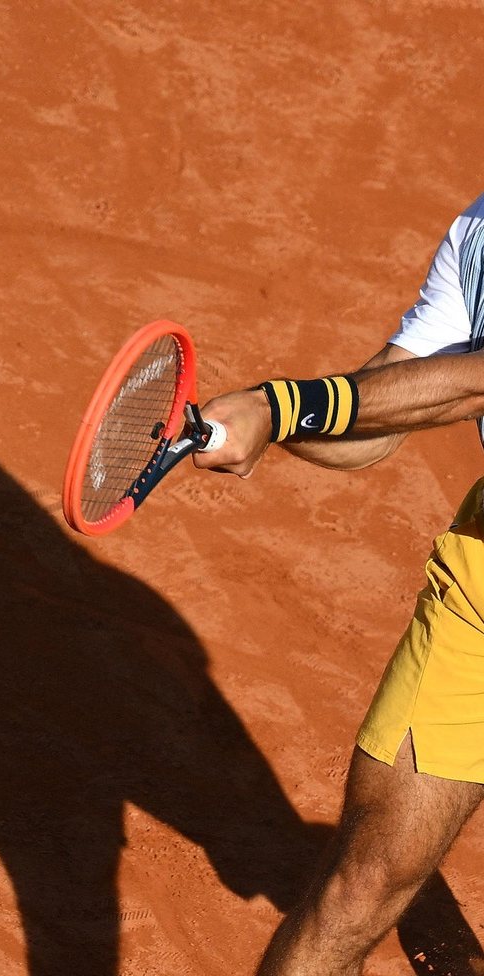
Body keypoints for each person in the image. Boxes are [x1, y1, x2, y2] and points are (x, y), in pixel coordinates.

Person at [194, 192, 484, 976]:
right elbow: (379, 416)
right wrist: (267, 423)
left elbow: (470, 386)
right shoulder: (477, 232)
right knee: (359, 886)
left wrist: (281, 404)